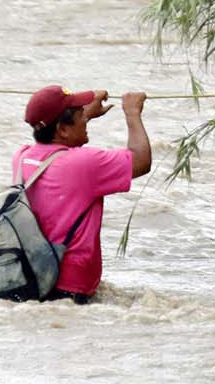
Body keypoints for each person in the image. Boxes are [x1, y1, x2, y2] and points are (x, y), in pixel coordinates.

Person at [13, 84, 153, 302]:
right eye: (80, 115)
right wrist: (132, 113)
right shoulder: (83, 164)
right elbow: (141, 160)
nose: (85, 120)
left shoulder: (22, 157)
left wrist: (84, 114)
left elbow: (56, 133)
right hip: (71, 286)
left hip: (32, 278)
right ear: (62, 129)